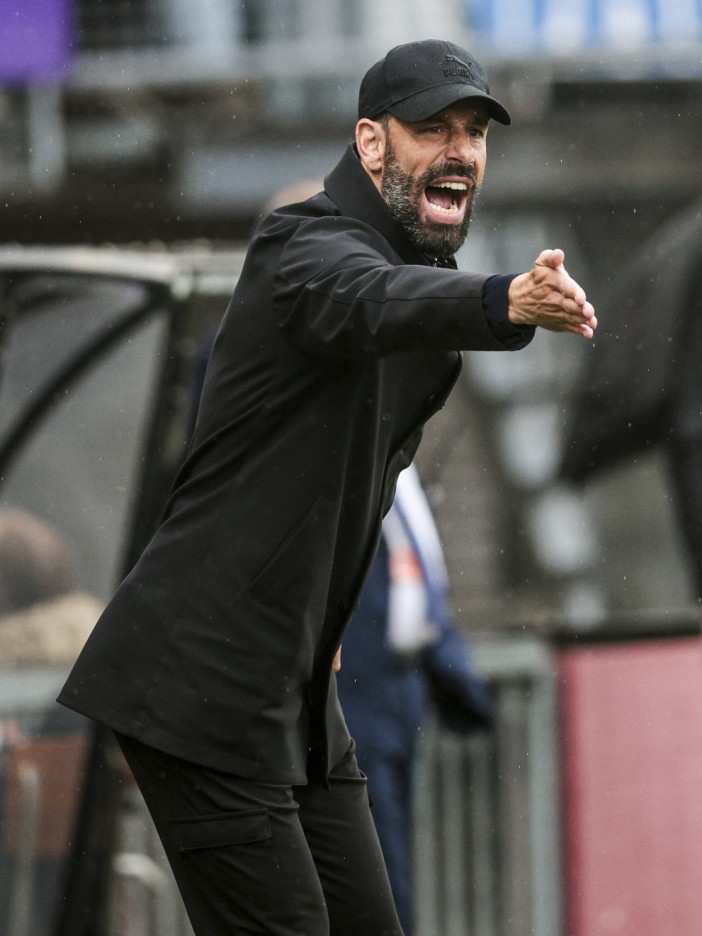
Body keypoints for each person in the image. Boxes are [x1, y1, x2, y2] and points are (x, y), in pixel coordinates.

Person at [58, 38, 596, 936]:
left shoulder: (421, 279)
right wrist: (503, 301)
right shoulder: (300, 243)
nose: (460, 149)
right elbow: (365, 299)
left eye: (474, 131)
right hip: (199, 686)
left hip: (297, 690)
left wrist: (325, 610)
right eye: (432, 128)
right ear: (371, 143)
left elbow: (353, 471)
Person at [338, 463, 494, 935]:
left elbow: (420, 582)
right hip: (353, 701)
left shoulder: (395, 462)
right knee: (372, 879)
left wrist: (450, 671)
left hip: (395, 695)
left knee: (388, 873)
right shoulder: (350, 446)